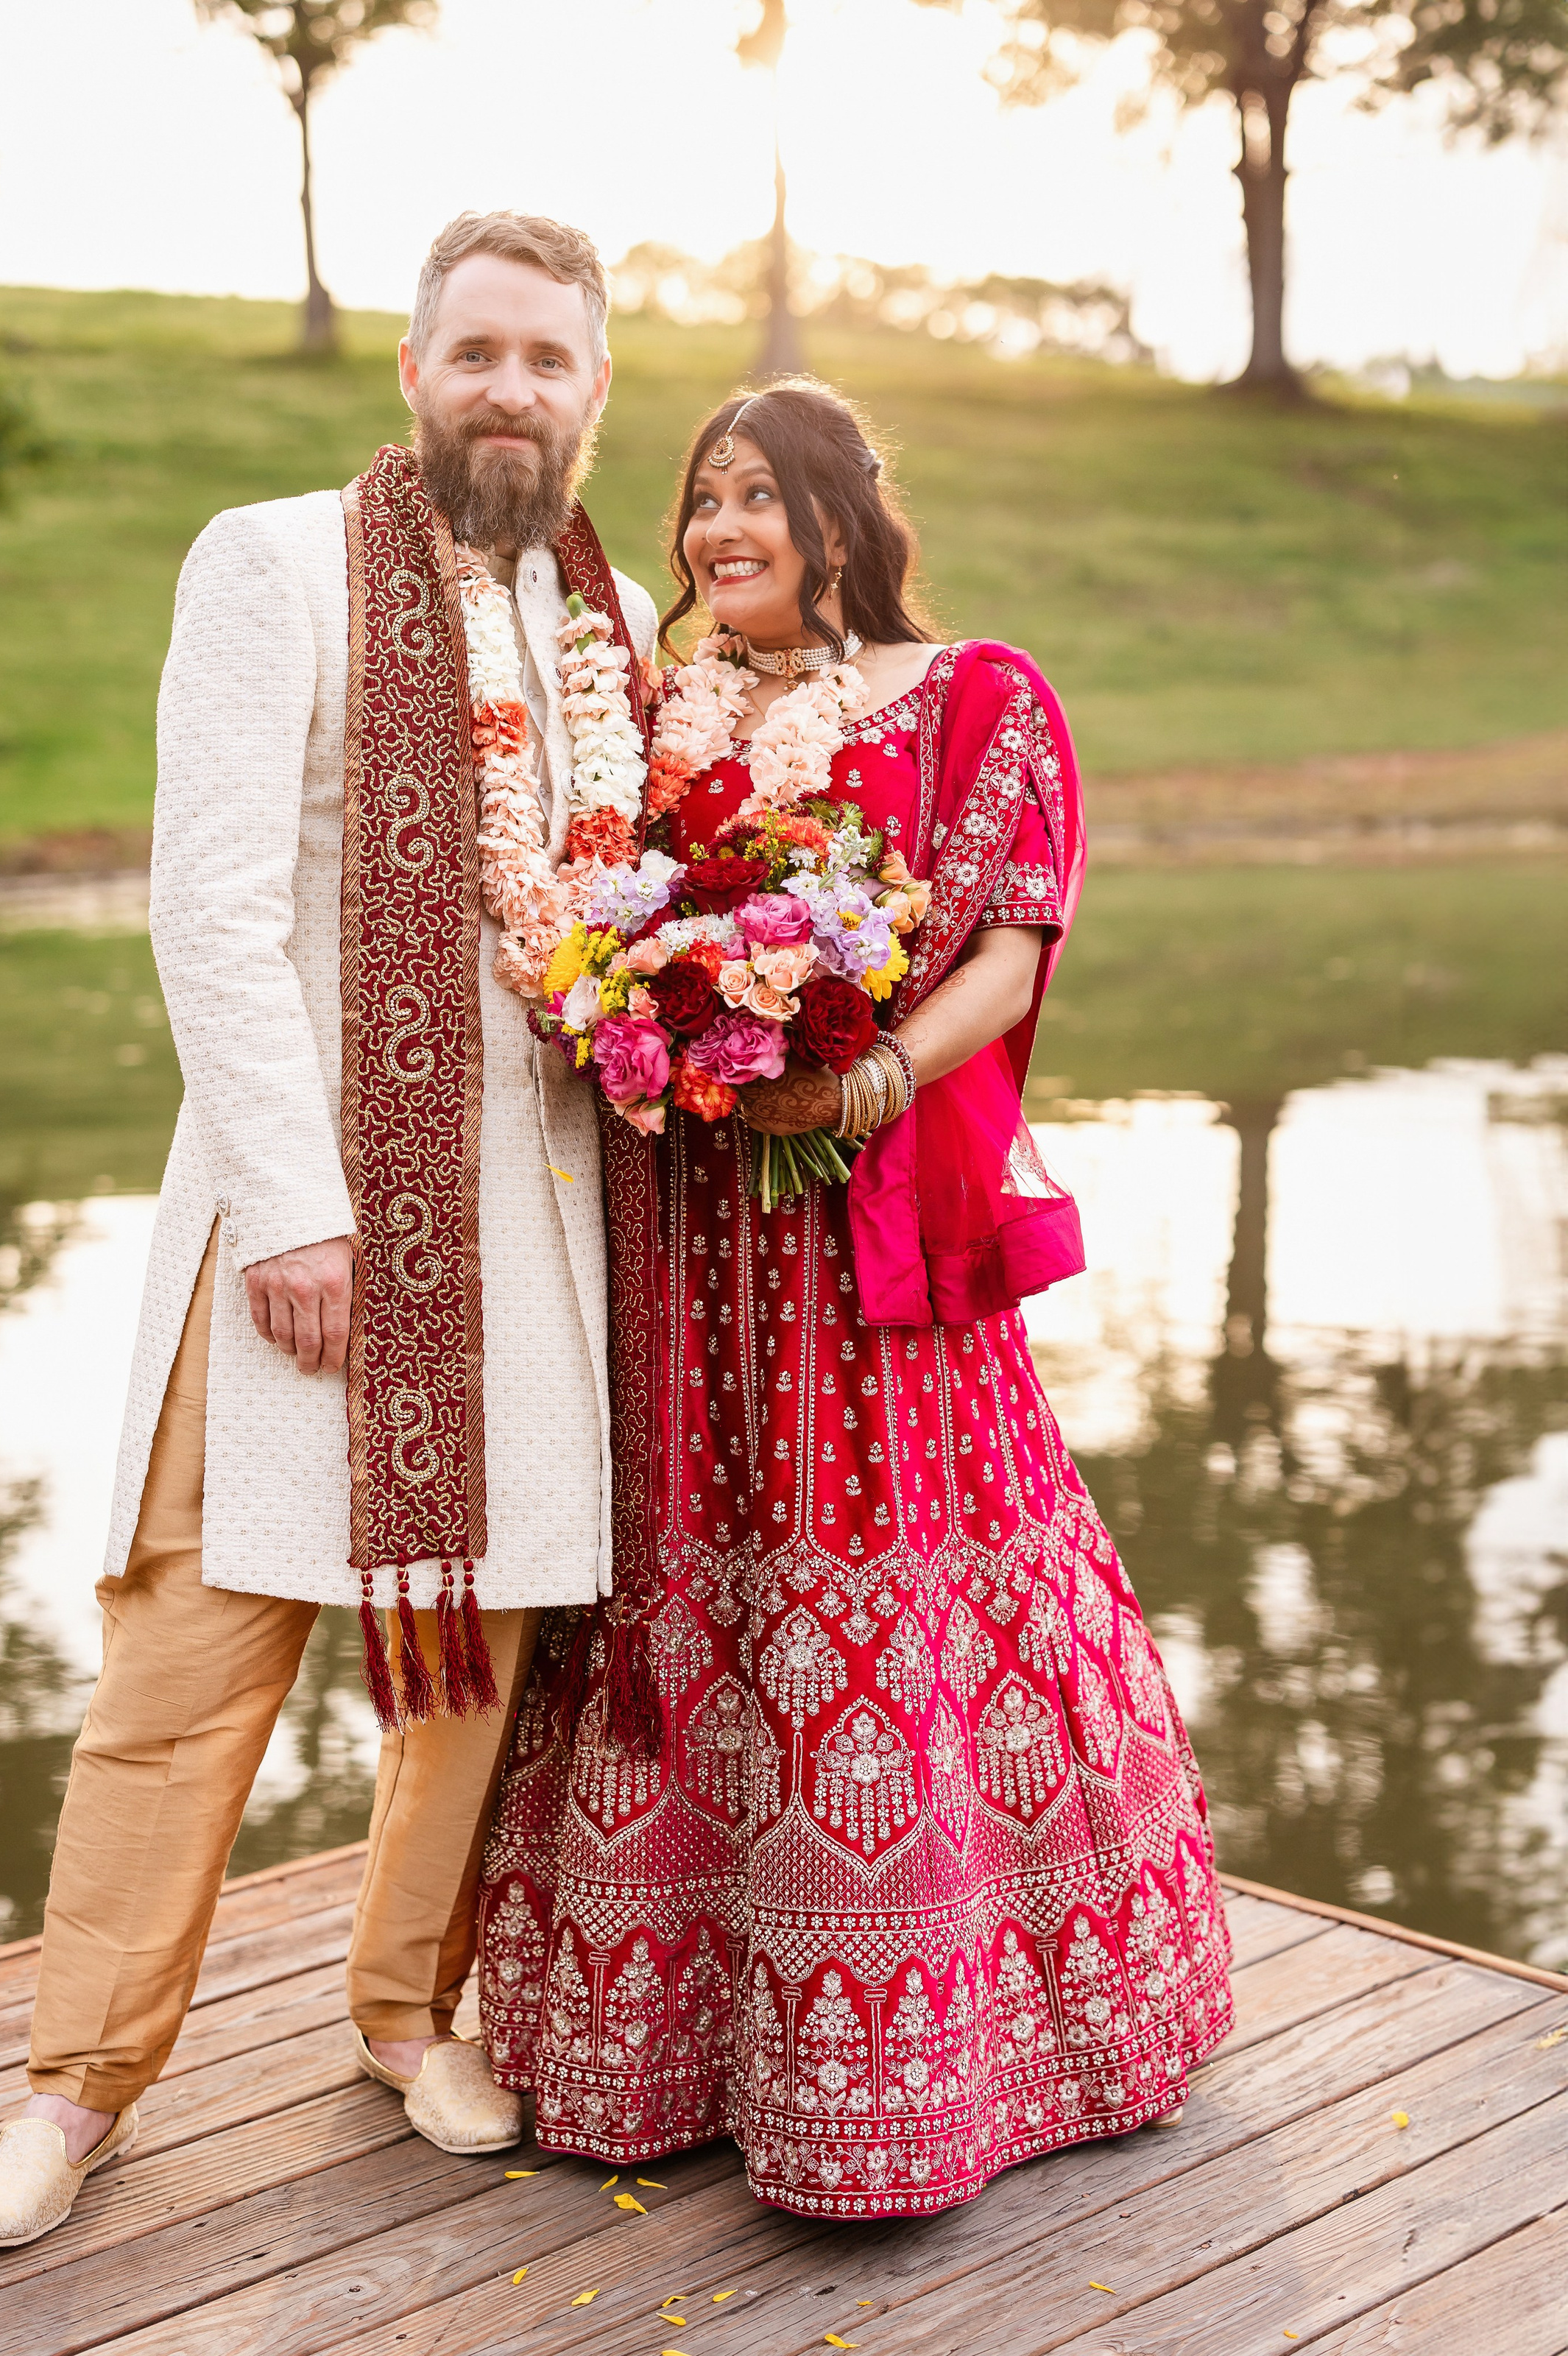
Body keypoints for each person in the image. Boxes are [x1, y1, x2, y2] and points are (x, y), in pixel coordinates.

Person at [0, 211, 659, 2250]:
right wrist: (291, 1204)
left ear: (592, 393)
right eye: (476, 352)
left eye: (546, 358)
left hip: (534, 1226)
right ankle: (74, 2088)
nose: (509, 388)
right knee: (190, 1652)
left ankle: (402, 2009)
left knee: (480, 1655)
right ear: (412, 372)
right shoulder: (272, 563)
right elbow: (212, 905)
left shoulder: (605, 623)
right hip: (313, 1216)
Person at [476, 380, 1235, 2218]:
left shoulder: (975, 695)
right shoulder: (653, 716)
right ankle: (669, 2043)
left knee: (907, 1548)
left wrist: (862, 1079)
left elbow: (1010, 945)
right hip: (690, 1240)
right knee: (690, 1566)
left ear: (838, 518)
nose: (717, 528)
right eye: (699, 497)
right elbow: (583, 918)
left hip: (875, 1232)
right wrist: (645, 1004)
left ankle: (968, 2039)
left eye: (756, 493)